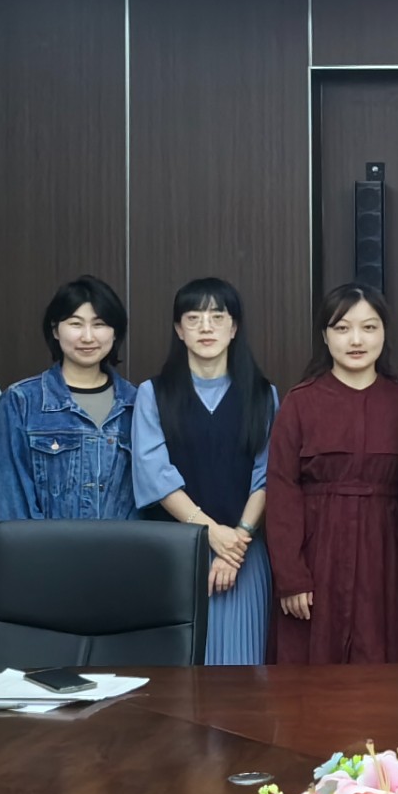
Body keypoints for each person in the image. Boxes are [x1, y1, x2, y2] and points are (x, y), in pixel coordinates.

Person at [131, 277, 280, 665]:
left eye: (217, 316)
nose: (206, 327)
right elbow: (154, 474)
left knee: (243, 678)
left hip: (244, 557)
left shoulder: (263, 395)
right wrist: (212, 534)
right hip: (177, 554)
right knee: (177, 681)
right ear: (179, 330)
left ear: (234, 327)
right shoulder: (154, 393)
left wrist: (236, 543)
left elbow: (267, 477)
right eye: (193, 318)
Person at [265, 283, 398, 664]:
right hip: (318, 551)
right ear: (325, 335)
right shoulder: (301, 401)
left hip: (386, 556)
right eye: (342, 328)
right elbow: (281, 490)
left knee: (384, 660)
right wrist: (291, 576)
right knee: (311, 667)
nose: (356, 340)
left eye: (369, 327)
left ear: (384, 332)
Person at [0, 275, 138, 522]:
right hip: (43, 547)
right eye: (75, 324)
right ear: (55, 330)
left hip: (125, 546)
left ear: (115, 333)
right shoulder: (21, 401)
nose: (88, 337)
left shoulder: (137, 403)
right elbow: (12, 501)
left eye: (99, 324)